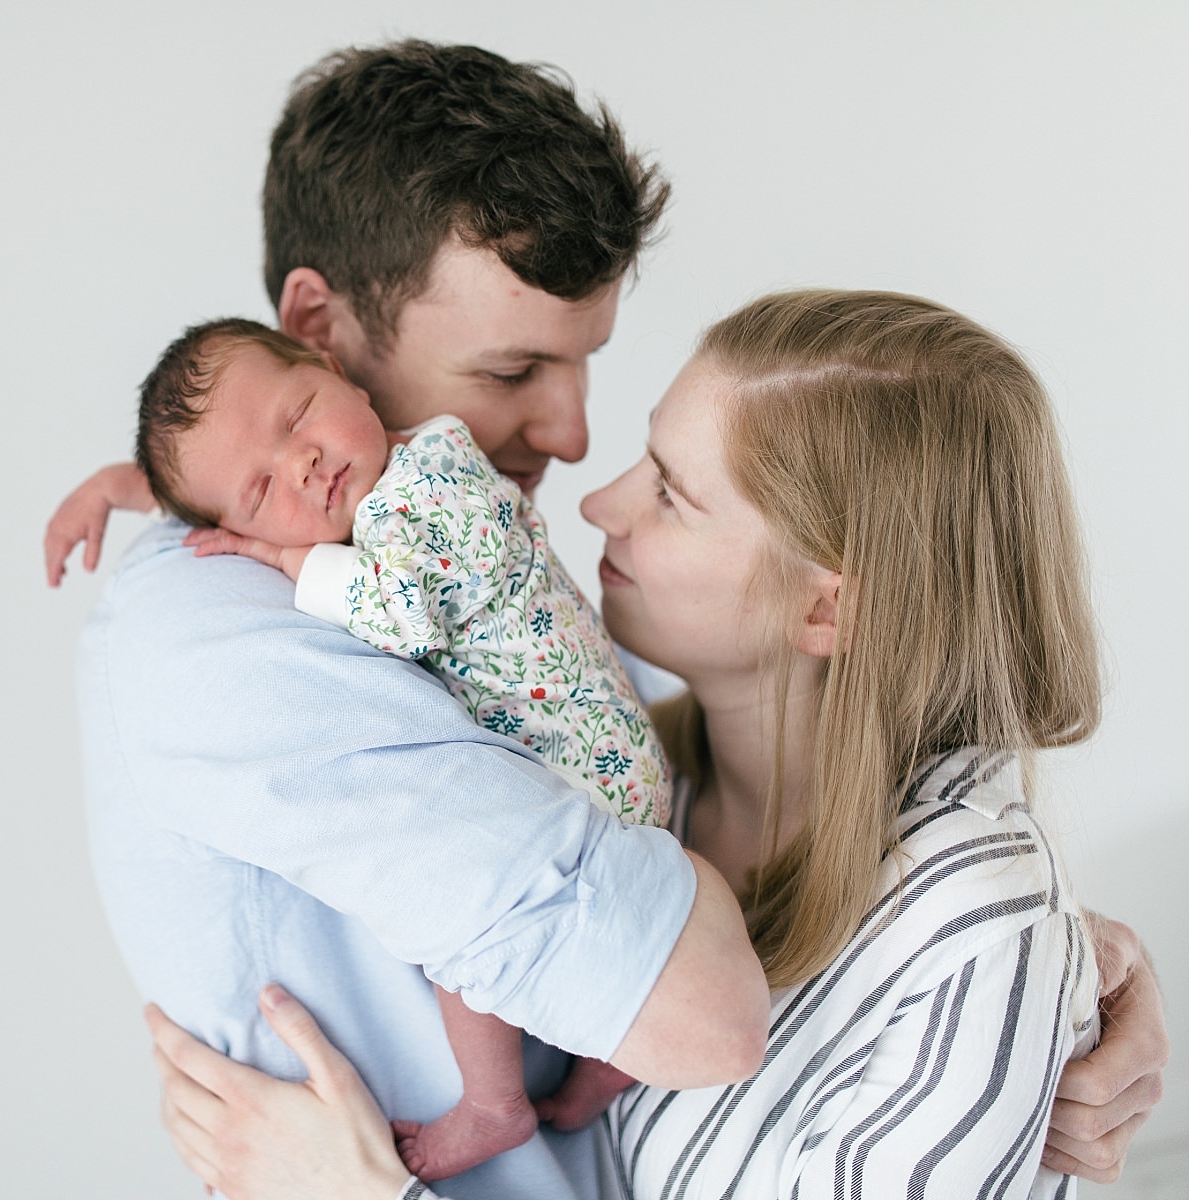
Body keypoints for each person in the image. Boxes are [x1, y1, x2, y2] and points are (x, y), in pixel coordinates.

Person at [57, 40, 1163, 1196]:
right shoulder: (229, 637)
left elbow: (793, 839)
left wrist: (1052, 980)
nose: (576, 442)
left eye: (587, 365)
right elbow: (707, 1012)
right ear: (322, 332)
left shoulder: (472, 588)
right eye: (512, 369)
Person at [146, 289, 1118, 1198]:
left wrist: (361, 1190)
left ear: (826, 607)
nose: (597, 502)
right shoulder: (658, 782)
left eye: (671, 494)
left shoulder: (978, 933)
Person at [57, 315, 672, 1178]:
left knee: (467, 930)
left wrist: (277, 553)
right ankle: (606, 1062)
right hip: (607, 759)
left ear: (334, 366)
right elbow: (224, 460)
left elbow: (400, 611)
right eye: (264, 492)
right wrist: (118, 487)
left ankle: (493, 1105)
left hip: (583, 772)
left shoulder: (432, 486)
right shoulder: (401, 468)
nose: (302, 465)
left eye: (299, 415)